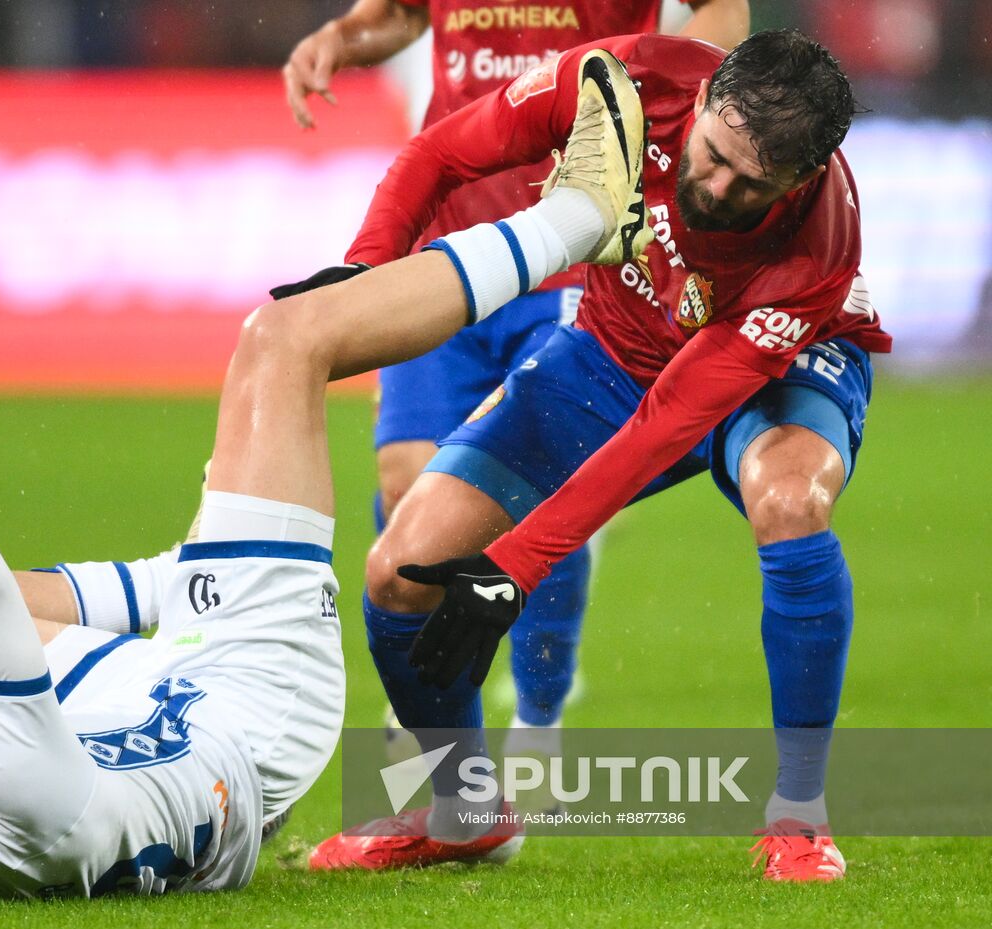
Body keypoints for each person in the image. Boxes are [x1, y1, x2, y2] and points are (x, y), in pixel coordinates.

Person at [0, 61, 648, 897]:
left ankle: (185, 579)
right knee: (283, 338)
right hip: (256, 708)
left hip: (139, 723)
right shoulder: (14, 779)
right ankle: (579, 215)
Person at [295, 30, 887, 882]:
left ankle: (799, 815)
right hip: (609, 348)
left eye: (750, 184)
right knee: (398, 571)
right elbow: (440, 152)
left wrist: (516, 565)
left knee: (790, 501)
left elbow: (667, 424)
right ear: (711, 94)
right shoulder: (624, 83)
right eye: (713, 154)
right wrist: (365, 266)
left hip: (772, 370)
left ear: (802, 179)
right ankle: (463, 810)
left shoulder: (816, 251)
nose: (715, 188)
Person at [283, 0, 750, 767]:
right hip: (448, 243)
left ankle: (539, 714)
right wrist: (338, 38)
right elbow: (399, 15)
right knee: (407, 481)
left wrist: (686, 108)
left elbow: (721, 15)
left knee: (534, 480)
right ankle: (434, 702)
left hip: (571, 245)